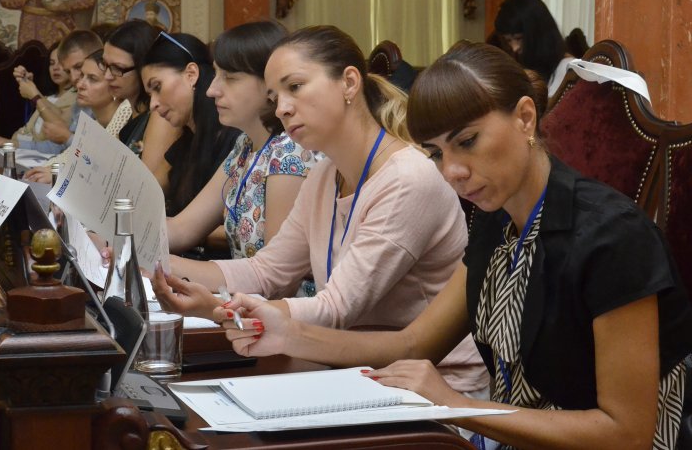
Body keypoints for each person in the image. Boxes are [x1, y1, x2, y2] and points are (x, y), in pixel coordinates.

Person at [213, 40, 692, 450]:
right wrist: (287, 333)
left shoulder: (612, 237)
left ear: (525, 118)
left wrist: (457, 405)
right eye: (438, 152)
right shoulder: (496, 221)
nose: (453, 172)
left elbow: (626, 432)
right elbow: (414, 343)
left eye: (468, 141)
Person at [151, 26, 476, 341]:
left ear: (349, 82)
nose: (282, 109)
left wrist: (218, 309)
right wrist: (155, 268)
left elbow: (337, 308)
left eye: (295, 87)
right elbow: (267, 270)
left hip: (426, 372)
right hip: (348, 360)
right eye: (274, 97)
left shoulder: (407, 178)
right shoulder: (324, 175)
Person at [160, 21, 321, 260]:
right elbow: (183, 229)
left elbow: (275, 274)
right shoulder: (245, 145)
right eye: (216, 74)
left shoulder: (290, 152)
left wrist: (168, 269)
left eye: (230, 77)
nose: (211, 90)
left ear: (270, 83)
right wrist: (116, 232)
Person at [140, 31, 239, 216]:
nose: (153, 104)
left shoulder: (235, 140)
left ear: (191, 74)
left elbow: (233, 226)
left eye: (157, 87)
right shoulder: (185, 143)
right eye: (149, 95)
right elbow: (145, 196)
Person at [101, 20, 180, 173]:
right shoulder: (129, 112)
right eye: (104, 65)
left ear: (143, 68)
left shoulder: (161, 115)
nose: (107, 76)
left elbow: (147, 181)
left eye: (118, 68)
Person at [23, 29, 102, 183]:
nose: (74, 78)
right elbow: (64, 151)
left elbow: (100, 164)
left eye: (78, 67)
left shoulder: (111, 107)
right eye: (68, 71)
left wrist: (66, 138)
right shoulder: (80, 103)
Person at [0, 41, 76, 153]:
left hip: (40, 155)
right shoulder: (48, 96)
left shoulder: (78, 98)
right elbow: (26, 131)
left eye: (61, 63)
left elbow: (60, 126)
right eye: (51, 63)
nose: (55, 68)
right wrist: (30, 87)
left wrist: (34, 93)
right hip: (20, 150)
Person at [494, 0, 574, 97]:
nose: (514, 48)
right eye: (508, 40)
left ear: (537, 34)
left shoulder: (567, 68)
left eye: (519, 38)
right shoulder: (521, 66)